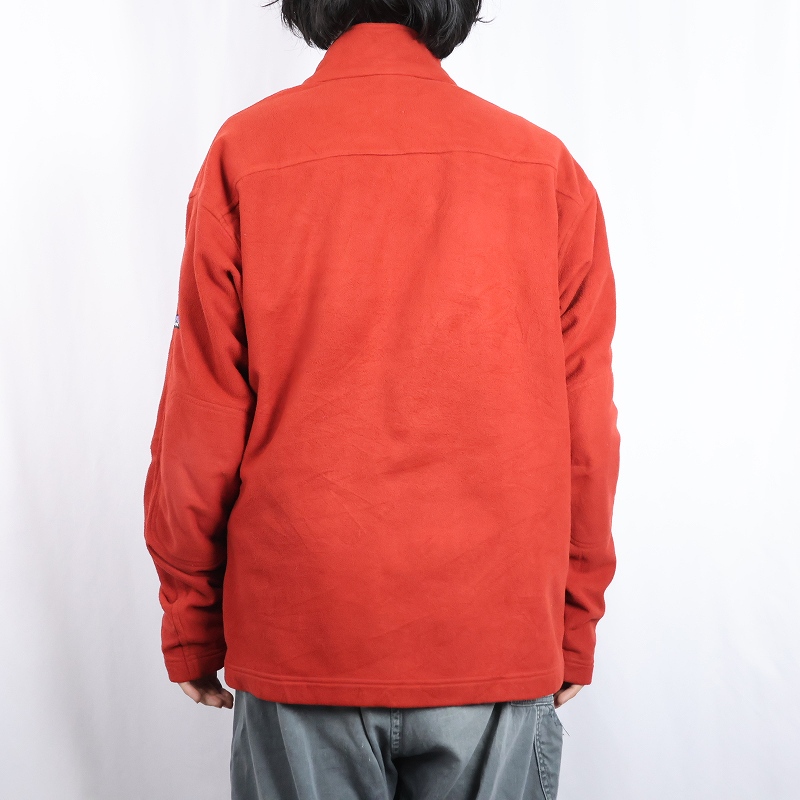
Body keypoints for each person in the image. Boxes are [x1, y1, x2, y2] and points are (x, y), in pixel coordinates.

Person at [143, 2, 621, 798]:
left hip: (304, 638)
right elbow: (587, 436)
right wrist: (572, 623)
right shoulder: (543, 168)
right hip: (494, 640)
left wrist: (190, 616)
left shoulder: (247, 153)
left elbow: (201, 419)